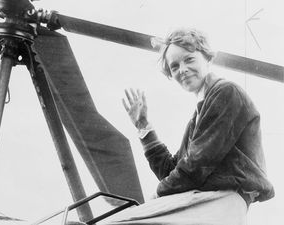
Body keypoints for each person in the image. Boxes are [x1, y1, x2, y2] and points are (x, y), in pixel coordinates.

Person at [117, 28, 275, 224]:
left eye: (189, 59)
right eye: (174, 66)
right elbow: (172, 171)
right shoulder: (199, 115)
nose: (182, 69)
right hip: (205, 199)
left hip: (221, 199)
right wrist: (143, 126)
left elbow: (196, 166)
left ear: (207, 58)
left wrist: (156, 197)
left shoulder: (226, 93)